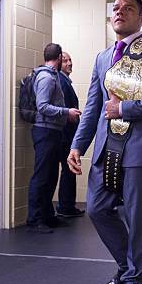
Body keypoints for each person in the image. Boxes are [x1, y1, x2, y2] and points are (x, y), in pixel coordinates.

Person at [67, 0, 142, 284]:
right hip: (105, 150)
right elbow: (93, 108)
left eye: (128, 9)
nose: (120, 12)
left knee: (137, 218)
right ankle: (125, 265)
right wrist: (77, 145)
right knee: (97, 210)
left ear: (141, 19)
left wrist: (125, 108)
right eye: (115, 8)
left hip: (139, 151)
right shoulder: (103, 58)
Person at [27, 43, 81, 233]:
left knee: (50, 176)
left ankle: (47, 216)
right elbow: (42, 106)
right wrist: (67, 112)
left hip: (52, 131)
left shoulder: (52, 76)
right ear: (58, 57)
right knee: (41, 176)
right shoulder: (47, 78)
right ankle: (34, 220)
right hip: (45, 131)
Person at [56, 51, 85, 218]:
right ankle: (66, 206)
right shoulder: (62, 82)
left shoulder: (66, 81)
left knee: (68, 170)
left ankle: (66, 205)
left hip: (67, 132)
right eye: (65, 61)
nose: (69, 63)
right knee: (68, 169)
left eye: (70, 59)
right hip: (66, 133)